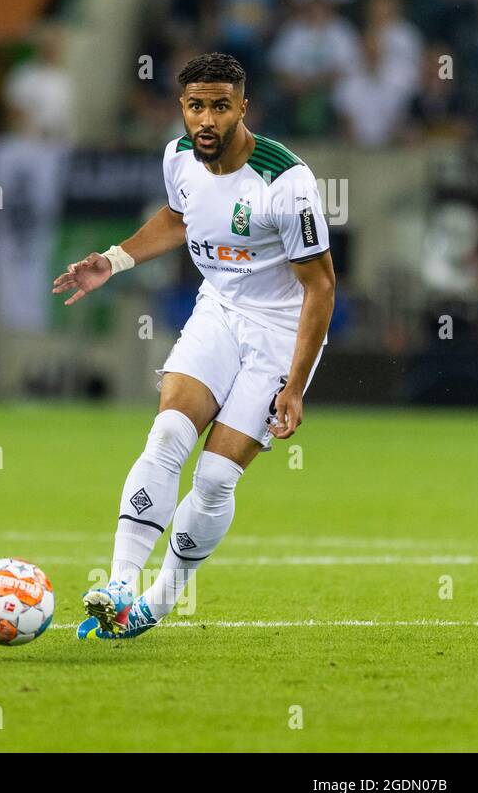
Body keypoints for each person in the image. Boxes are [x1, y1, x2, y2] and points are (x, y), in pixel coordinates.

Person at [53, 52, 335, 640]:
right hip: (218, 312)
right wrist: (114, 259)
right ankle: (120, 584)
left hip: (281, 334)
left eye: (220, 107)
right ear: (182, 107)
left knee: (213, 480)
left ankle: (157, 601)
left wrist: (295, 383)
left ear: (242, 108)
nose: (206, 120)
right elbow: (179, 219)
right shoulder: (178, 157)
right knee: (167, 434)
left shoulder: (287, 182)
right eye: (195, 106)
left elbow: (321, 286)